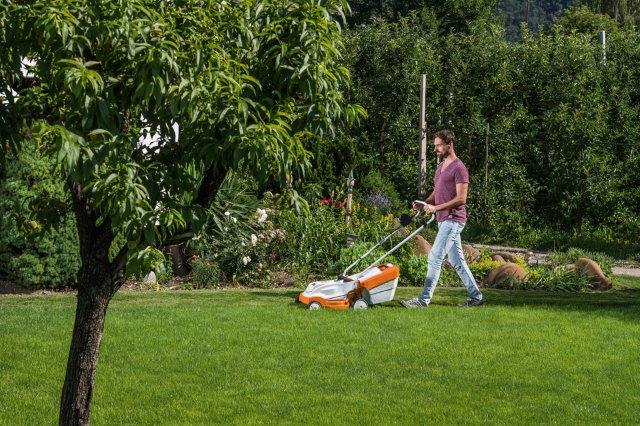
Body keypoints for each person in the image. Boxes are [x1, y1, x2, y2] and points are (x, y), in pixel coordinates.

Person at [400, 129, 484, 308]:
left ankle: (422, 301)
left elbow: (461, 199)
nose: (436, 149)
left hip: (454, 219)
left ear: (449, 144)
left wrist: (435, 207)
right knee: (457, 261)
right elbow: (438, 192)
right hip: (443, 219)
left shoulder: (459, 168)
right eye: (435, 146)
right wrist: (424, 202)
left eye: (439, 145)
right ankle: (476, 297)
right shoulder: (440, 168)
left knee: (435, 257)